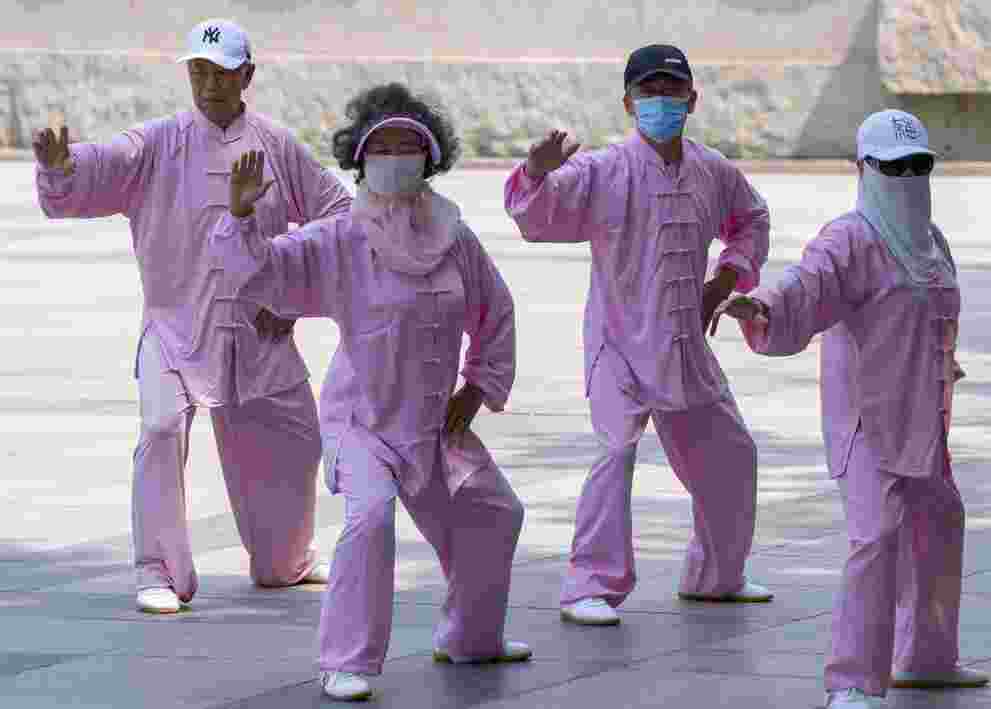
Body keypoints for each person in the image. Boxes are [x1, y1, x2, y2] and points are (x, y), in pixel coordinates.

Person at [211, 83, 530, 702]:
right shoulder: (342, 236)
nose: (394, 156)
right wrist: (242, 217)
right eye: (380, 146)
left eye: (407, 146)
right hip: (363, 422)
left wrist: (481, 383)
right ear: (360, 158)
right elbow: (263, 272)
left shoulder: (454, 236)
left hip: (436, 425)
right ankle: (345, 660)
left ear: (430, 157)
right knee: (371, 516)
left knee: (496, 515)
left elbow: (496, 309)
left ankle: (472, 638)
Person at [32, 18, 351, 614]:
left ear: (247, 75)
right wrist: (59, 167)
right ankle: (158, 570)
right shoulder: (156, 142)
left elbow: (341, 216)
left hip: (258, 331)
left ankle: (287, 560)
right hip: (176, 328)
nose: (208, 84)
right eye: (198, 72)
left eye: (222, 72)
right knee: (159, 429)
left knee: (296, 439)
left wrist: (294, 293)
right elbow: (93, 169)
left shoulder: (277, 144)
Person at [710, 109, 989, 709]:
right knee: (876, 539)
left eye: (918, 166)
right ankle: (854, 681)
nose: (907, 176)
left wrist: (944, 361)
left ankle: (927, 659)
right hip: (868, 419)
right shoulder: (850, 238)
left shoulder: (930, 240)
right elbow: (804, 286)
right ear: (863, 169)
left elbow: (934, 316)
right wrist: (760, 305)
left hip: (924, 415)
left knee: (940, 528)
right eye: (893, 166)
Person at [504, 44, 773, 627]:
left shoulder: (714, 170)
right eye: (648, 92)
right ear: (628, 102)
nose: (661, 102)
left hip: (684, 346)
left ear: (692, 99)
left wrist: (723, 278)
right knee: (615, 451)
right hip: (620, 344)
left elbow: (752, 219)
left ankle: (717, 576)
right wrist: (535, 172)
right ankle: (589, 586)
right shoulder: (605, 169)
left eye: (671, 91)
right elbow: (536, 215)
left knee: (731, 454)